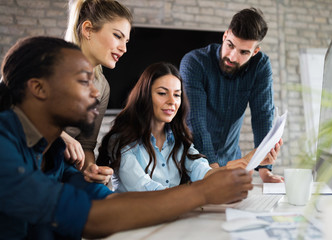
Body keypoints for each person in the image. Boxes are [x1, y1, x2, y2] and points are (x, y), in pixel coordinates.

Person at [0, 36, 253, 239]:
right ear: (39, 88)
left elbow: (108, 202)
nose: (96, 91)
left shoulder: (58, 155)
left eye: (176, 95)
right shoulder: (4, 146)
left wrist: (219, 177)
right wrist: (203, 193)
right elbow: (93, 218)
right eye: (83, 80)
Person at [96, 62, 279, 192]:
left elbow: (204, 174)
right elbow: (146, 190)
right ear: (144, 95)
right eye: (162, 93)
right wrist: (194, 193)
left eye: (177, 95)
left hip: (172, 221)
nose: (171, 102)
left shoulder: (179, 141)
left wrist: (247, 161)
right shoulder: (121, 140)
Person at [179, 8, 283, 183]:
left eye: (244, 52)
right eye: (230, 45)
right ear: (225, 35)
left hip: (233, 161)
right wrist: (213, 172)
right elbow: (195, 120)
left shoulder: (260, 66)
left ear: (255, 51)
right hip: (192, 164)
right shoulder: (194, 62)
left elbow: (262, 115)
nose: (233, 57)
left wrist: (265, 170)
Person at [62, 0, 132, 184]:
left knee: (104, 193)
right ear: (88, 30)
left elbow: (86, 146)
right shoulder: (46, 61)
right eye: (118, 36)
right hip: (23, 162)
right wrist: (61, 137)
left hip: (63, 171)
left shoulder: (102, 87)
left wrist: (92, 170)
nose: (124, 49)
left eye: (126, 41)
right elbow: (8, 110)